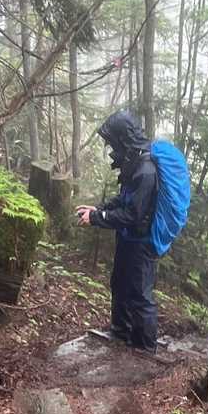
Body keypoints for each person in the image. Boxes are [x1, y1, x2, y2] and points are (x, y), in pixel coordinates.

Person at [76, 110, 159, 353]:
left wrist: (97, 218)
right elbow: (124, 199)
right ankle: (120, 332)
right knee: (120, 283)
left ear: (123, 139)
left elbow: (133, 214)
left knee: (140, 294)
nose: (111, 147)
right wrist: (99, 209)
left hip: (142, 242)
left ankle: (145, 348)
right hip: (127, 238)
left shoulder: (146, 170)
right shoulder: (134, 163)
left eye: (112, 141)